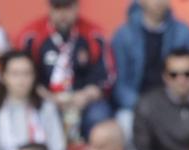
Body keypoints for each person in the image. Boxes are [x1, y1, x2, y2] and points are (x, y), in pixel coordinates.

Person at [17, 0, 115, 136]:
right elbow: (21, 75)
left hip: (84, 100)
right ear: (49, 8)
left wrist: (85, 96)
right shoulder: (32, 36)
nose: (62, 14)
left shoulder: (94, 34)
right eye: (57, 8)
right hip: (46, 99)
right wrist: (49, 98)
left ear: (77, 7)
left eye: (67, 7)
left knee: (99, 116)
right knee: (32, 112)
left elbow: (107, 77)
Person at [110, 0, 189, 119]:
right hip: (135, 105)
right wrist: (143, 106)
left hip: (175, 102)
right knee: (126, 121)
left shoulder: (183, 32)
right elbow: (119, 85)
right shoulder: (124, 35)